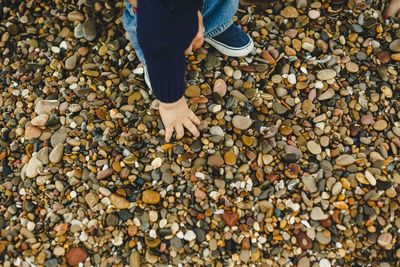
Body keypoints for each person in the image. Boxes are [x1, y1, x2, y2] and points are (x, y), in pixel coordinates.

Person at [121, 0, 254, 143]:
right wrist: (171, 104)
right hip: (153, 9)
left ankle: (214, 21)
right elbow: (160, 35)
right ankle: (149, 57)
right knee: (154, 25)